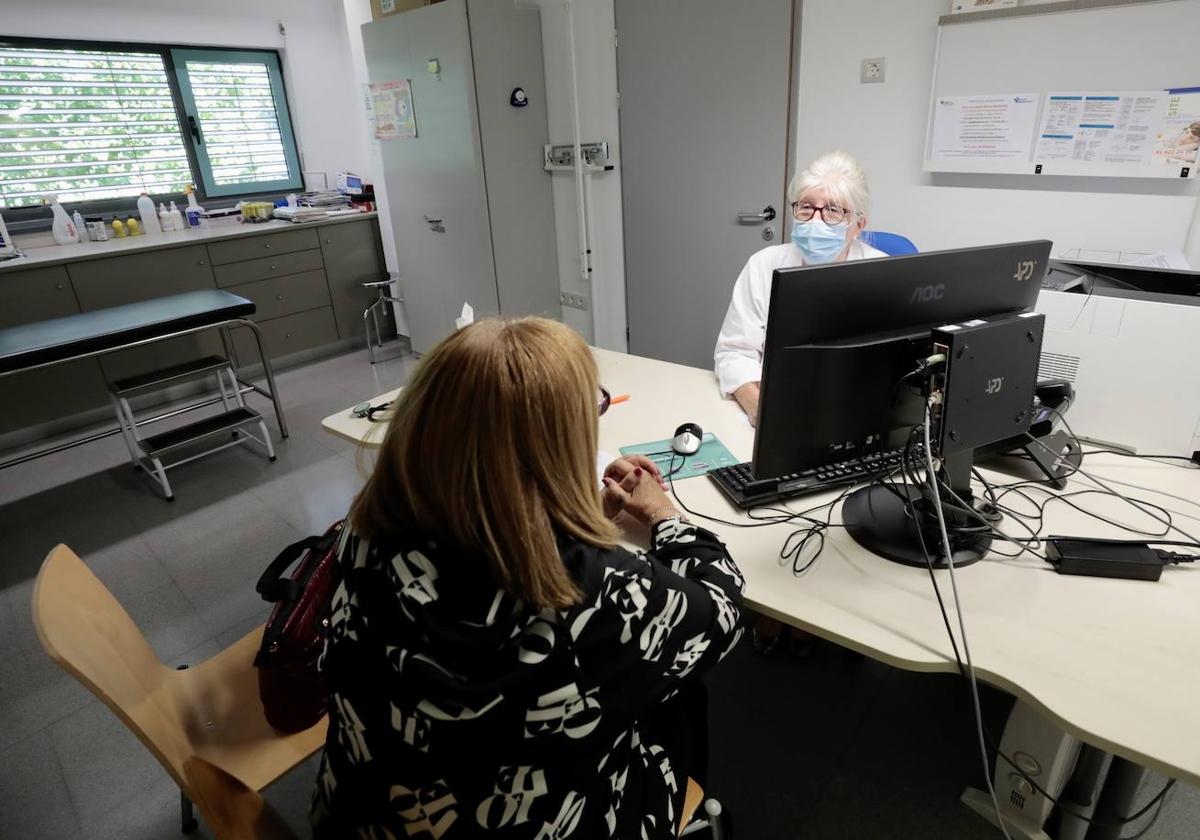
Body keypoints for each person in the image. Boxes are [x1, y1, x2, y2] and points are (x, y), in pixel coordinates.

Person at [312, 317, 746, 839]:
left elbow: (487, 540)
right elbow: (721, 611)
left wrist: (578, 517)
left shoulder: (367, 525)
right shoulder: (594, 589)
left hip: (364, 816)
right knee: (681, 694)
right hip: (546, 822)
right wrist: (662, 516)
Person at [714, 150, 886, 427]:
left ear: (857, 225)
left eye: (832, 210)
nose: (815, 220)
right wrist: (756, 405)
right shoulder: (764, 264)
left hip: (856, 415)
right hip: (778, 411)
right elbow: (734, 352)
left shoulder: (882, 273)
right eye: (806, 206)